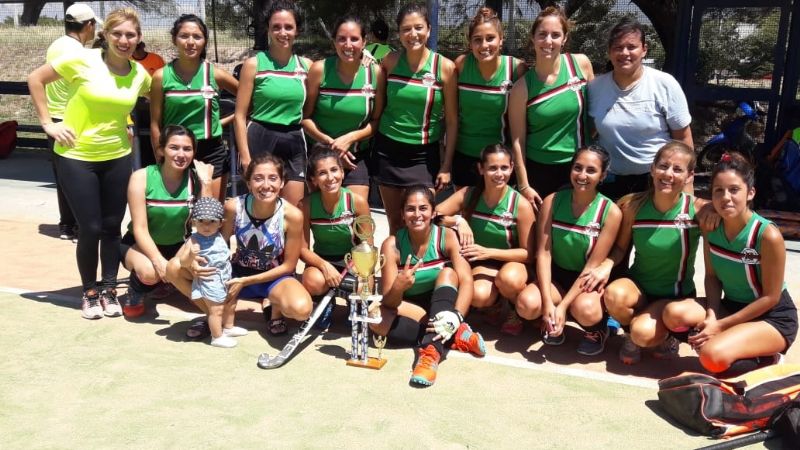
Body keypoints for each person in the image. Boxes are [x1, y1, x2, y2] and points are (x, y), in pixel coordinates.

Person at [28, 7, 152, 319]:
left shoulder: (140, 75)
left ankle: (110, 290)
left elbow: (161, 92)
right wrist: (48, 124)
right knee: (91, 227)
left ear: (138, 39)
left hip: (117, 157)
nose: (124, 40)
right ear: (105, 35)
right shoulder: (82, 60)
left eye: (130, 35)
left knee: (112, 227)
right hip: (76, 156)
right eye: (118, 34)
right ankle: (90, 291)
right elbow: (35, 79)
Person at [598, 142, 710, 364]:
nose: (668, 174)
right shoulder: (633, 206)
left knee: (644, 334)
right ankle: (632, 334)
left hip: (674, 298)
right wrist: (606, 264)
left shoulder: (699, 210)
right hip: (639, 289)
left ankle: (665, 335)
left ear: (690, 176)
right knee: (613, 295)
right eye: (663, 166)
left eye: (677, 169)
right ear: (652, 169)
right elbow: (620, 248)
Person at [687, 153, 797, 374]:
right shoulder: (711, 225)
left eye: (734, 190)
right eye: (718, 190)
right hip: (732, 306)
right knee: (675, 314)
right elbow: (711, 276)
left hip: (773, 317)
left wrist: (719, 326)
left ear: (751, 192)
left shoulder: (767, 235)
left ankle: (768, 357)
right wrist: (711, 314)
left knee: (711, 357)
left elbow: (771, 297)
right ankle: (734, 341)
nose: (726, 197)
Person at [373, 186, 485, 387]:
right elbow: (389, 301)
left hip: (444, 301)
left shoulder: (447, 236)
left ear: (433, 212)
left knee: (449, 272)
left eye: (423, 208)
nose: (417, 215)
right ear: (402, 214)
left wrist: (456, 316)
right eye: (410, 209)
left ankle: (430, 353)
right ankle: (455, 335)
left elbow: (467, 281)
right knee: (376, 320)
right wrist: (398, 287)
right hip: (411, 306)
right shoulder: (392, 245)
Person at [526, 145, 622, 355]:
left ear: (603, 175)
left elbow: (592, 266)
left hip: (586, 280)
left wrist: (562, 307)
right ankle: (552, 321)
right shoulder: (552, 201)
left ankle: (597, 330)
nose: (582, 175)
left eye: (591, 170)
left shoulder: (611, 212)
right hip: (556, 277)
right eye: (577, 168)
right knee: (527, 303)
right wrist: (548, 303)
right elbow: (543, 253)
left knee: (585, 310)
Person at [204, 154, 311, 336]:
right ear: (248, 183)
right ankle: (211, 314)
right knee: (183, 271)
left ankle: (273, 305)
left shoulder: (292, 215)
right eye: (258, 178)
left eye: (273, 178)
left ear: (282, 182)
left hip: (273, 278)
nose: (266, 185)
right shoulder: (233, 207)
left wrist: (246, 281)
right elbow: (220, 245)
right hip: (237, 273)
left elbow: (289, 266)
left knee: (301, 310)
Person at [588, 17, 693, 200]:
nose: (624, 53)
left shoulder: (665, 84)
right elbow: (589, 132)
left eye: (631, 46)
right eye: (618, 47)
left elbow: (683, 138)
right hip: (609, 181)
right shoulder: (595, 88)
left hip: (656, 181)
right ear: (609, 52)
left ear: (644, 50)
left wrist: (687, 189)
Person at [375, 3, 458, 234]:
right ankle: (397, 269)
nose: (413, 34)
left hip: (424, 156)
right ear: (399, 34)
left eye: (418, 28)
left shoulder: (445, 68)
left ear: (429, 30)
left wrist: (446, 165)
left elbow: (451, 121)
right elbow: (378, 108)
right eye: (406, 29)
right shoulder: (389, 63)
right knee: (395, 223)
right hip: (388, 151)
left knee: (421, 223)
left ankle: (421, 269)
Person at [435, 144, 534, 335]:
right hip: (481, 263)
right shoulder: (469, 194)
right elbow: (431, 216)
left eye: (504, 168)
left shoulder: (520, 204)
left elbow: (528, 254)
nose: (499, 174)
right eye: (492, 168)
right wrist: (457, 220)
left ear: (512, 167)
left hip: (512, 262)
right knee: (479, 296)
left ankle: (515, 310)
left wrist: (488, 252)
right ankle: (494, 305)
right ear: (481, 169)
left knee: (509, 280)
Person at [121, 126, 213, 319]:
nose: (181, 154)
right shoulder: (141, 177)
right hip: (140, 244)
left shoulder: (195, 179)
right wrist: (159, 261)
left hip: (178, 244)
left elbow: (207, 226)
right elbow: (140, 228)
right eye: (174, 147)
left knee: (203, 266)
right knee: (150, 273)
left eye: (187, 149)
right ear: (161, 150)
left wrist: (206, 185)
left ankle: (169, 282)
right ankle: (137, 289)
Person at [508, 6, 594, 207]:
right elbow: (518, 141)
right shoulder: (522, 87)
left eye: (556, 35)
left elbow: (595, 114)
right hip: (539, 172)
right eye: (542, 34)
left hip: (579, 168)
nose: (548, 41)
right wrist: (524, 186)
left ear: (564, 38)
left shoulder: (580, 65)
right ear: (533, 38)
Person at [150, 14, 239, 201]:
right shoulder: (161, 77)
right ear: (174, 39)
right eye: (184, 36)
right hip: (176, 151)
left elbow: (249, 101)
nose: (191, 42)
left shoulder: (215, 74)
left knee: (210, 216)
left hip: (211, 151)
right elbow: (155, 123)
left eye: (197, 37)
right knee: (180, 214)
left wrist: (221, 122)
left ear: (205, 41)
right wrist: (161, 155)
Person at [234, 0, 312, 207]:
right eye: (276, 27)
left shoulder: (307, 66)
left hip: (294, 139)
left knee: (295, 210)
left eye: (288, 27)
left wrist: (365, 57)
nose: (282, 32)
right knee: (260, 208)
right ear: (267, 29)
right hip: (261, 137)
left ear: (297, 30)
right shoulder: (253, 65)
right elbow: (240, 116)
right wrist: (245, 158)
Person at [302, 15, 385, 201]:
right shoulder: (319, 70)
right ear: (334, 42)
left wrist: (351, 138)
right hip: (320, 155)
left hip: (355, 159)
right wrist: (333, 145)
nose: (348, 45)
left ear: (364, 42)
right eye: (342, 39)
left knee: (359, 218)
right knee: (322, 219)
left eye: (354, 39)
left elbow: (377, 121)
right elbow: (305, 118)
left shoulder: (375, 74)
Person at [453, 7, 526, 188]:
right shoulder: (461, 65)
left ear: (501, 40)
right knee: (467, 214)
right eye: (477, 40)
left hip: (499, 161)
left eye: (490, 38)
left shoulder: (516, 69)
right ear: (470, 43)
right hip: (464, 157)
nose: (484, 45)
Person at [44, 3, 99, 242]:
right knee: (80, 175)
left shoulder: (55, 45)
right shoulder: (80, 52)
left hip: (54, 118)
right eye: (94, 25)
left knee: (63, 174)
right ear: (88, 25)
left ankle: (66, 225)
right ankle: (78, 226)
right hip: (72, 118)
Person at [300, 147, 372, 329]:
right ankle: (324, 304)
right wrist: (325, 267)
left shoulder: (357, 202)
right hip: (322, 259)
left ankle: (353, 304)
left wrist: (355, 266)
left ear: (342, 171)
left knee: (365, 282)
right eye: (322, 173)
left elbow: (368, 244)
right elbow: (302, 249)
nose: (330, 177)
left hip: (352, 259)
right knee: (312, 281)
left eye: (334, 170)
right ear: (314, 180)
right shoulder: (306, 204)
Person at [183, 196, 247, 348]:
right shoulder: (194, 240)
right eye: (201, 221)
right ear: (194, 222)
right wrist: (191, 255)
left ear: (220, 223)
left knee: (231, 303)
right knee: (216, 310)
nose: (206, 226)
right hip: (209, 279)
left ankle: (228, 327)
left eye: (212, 221)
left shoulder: (218, 235)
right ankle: (216, 337)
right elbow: (183, 262)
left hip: (224, 277)